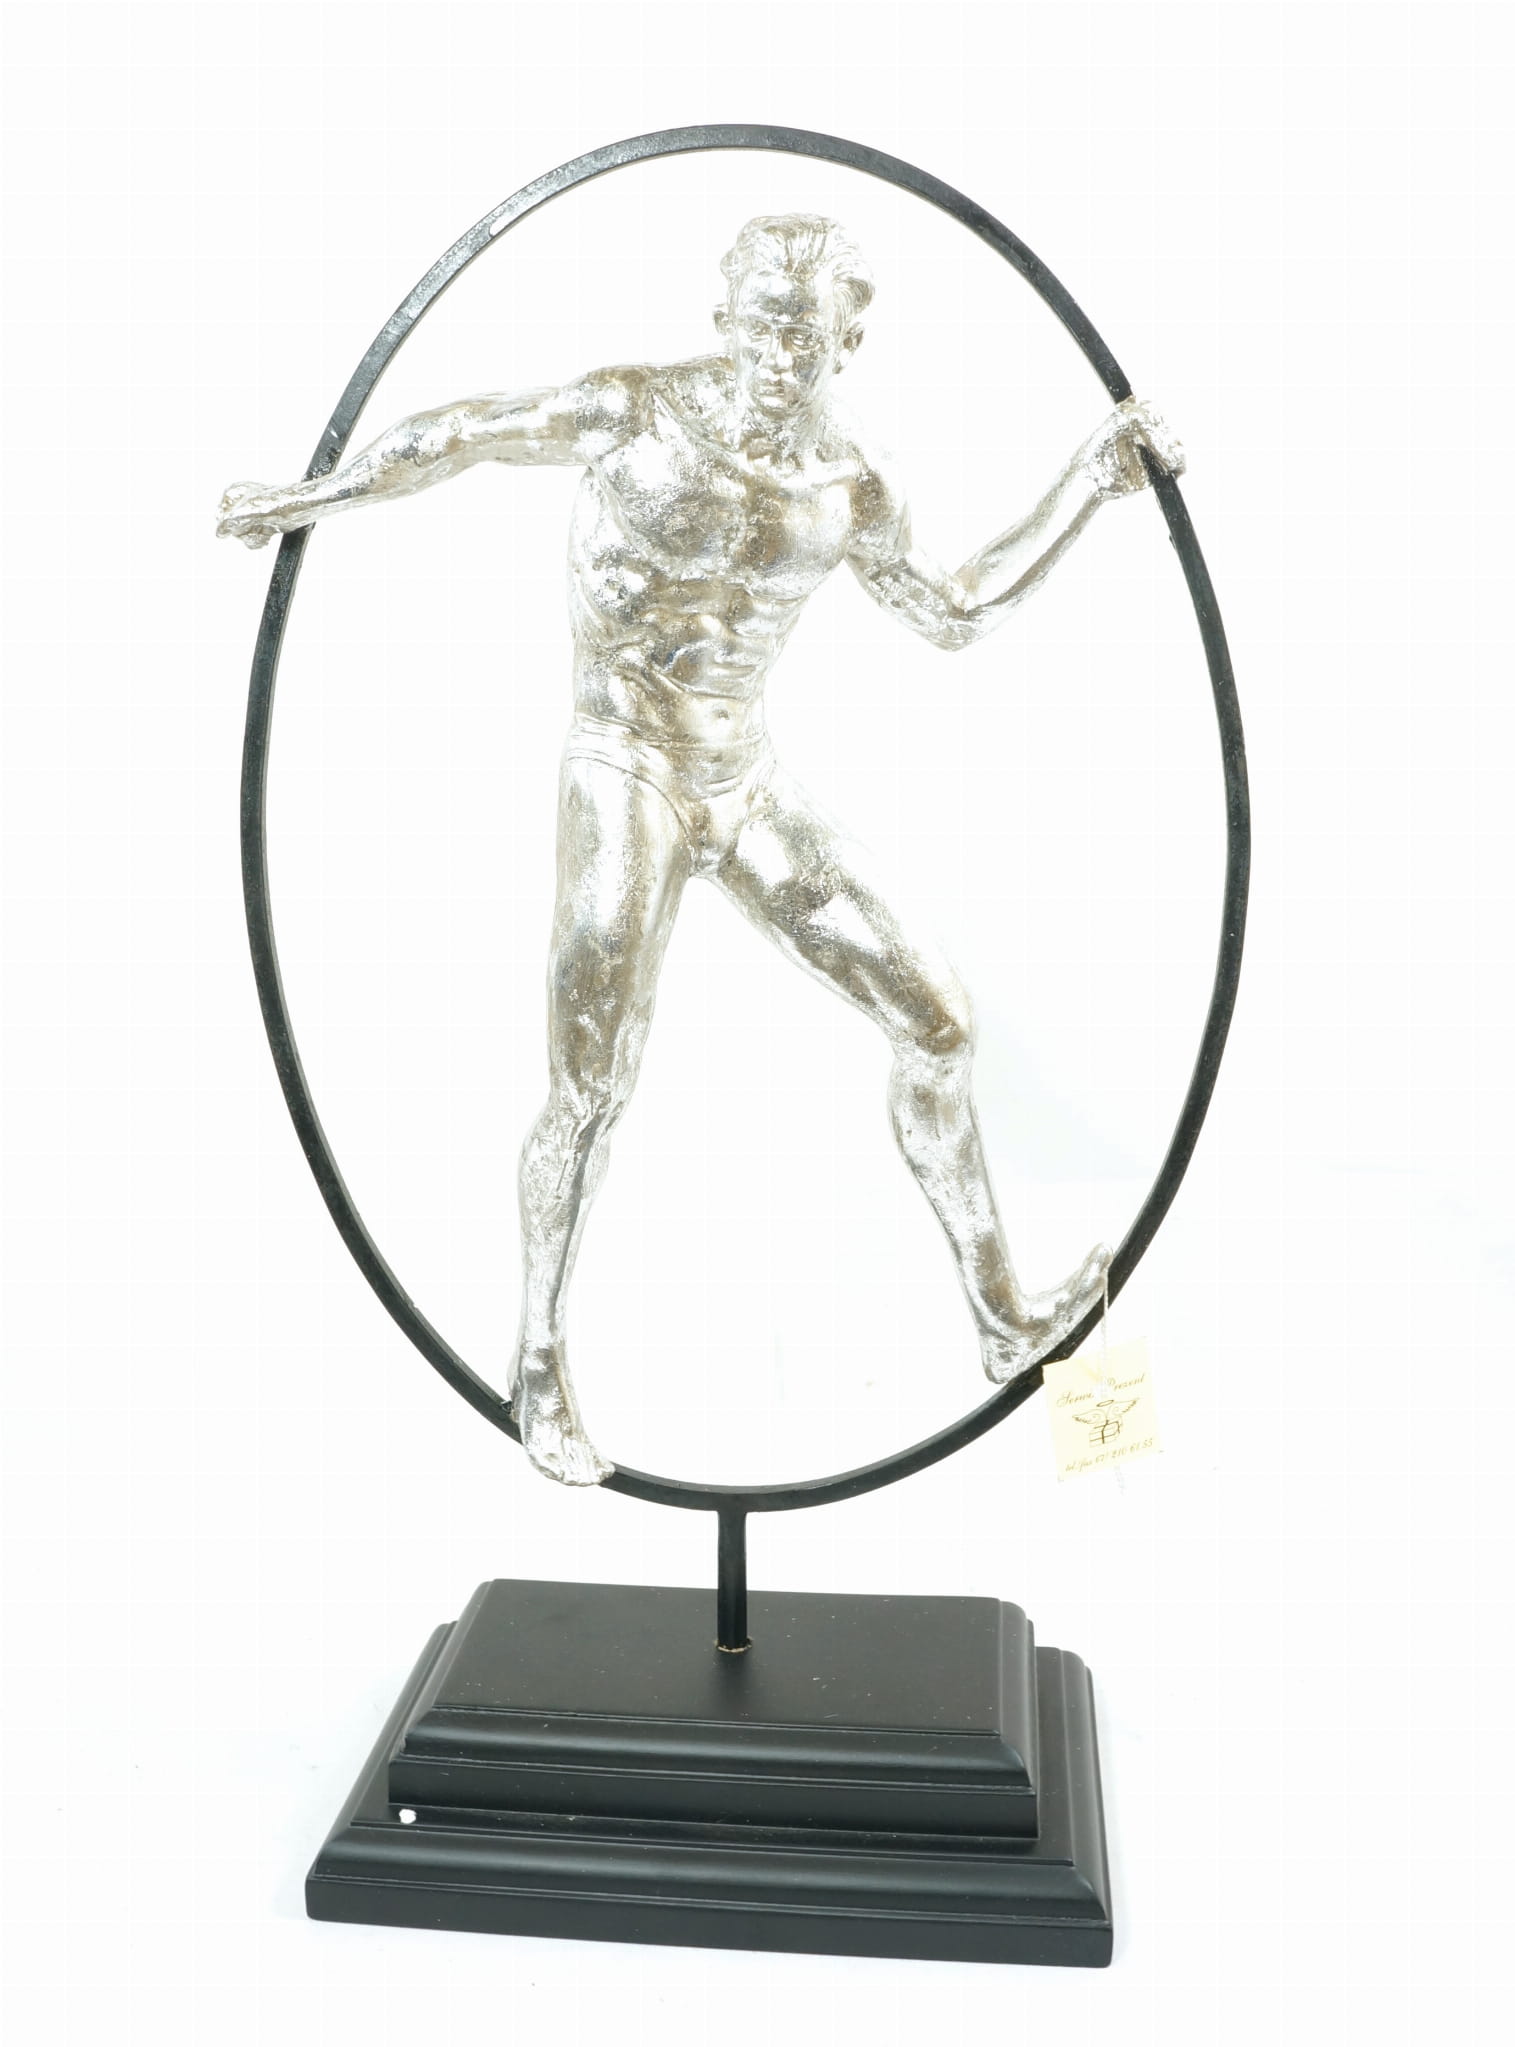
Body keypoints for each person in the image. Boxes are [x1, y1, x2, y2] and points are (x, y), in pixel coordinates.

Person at [219, 213, 1185, 1486]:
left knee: (941, 1024)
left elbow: (950, 610)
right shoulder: (639, 412)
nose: (780, 356)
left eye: (806, 335)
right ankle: (539, 1358)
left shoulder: (852, 485)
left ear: (848, 341)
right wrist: (310, 500)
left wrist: (1090, 486)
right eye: (762, 326)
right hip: (622, 766)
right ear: (724, 322)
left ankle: (1004, 1318)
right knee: (591, 1083)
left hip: (742, 781)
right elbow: (466, 432)